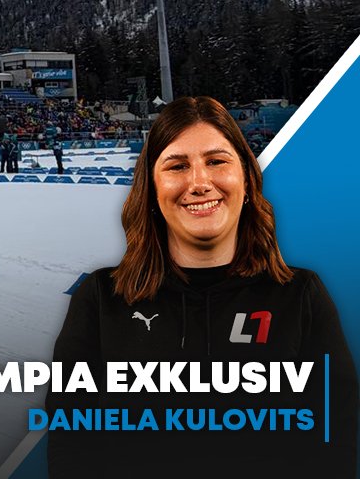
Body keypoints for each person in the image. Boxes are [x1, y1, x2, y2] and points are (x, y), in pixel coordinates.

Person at [47, 96, 357, 477]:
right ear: (153, 188)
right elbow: (71, 445)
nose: (199, 183)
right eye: (177, 166)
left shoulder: (299, 295)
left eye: (216, 161)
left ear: (245, 177)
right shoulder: (101, 299)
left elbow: (334, 442)